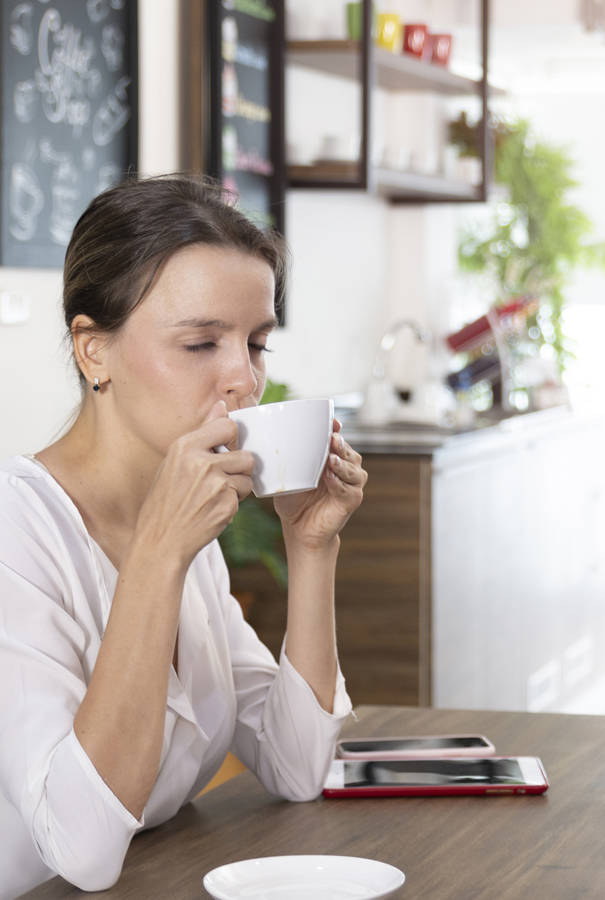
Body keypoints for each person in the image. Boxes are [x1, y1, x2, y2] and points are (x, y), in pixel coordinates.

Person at [0, 174, 367, 896]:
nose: (245, 379)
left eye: (257, 343)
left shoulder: (185, 521)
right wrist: (158, 555)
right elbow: (82, 850)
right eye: (201, 343)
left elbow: (296, 768)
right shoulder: (18, 533)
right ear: (92, 351)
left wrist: (311, 546)